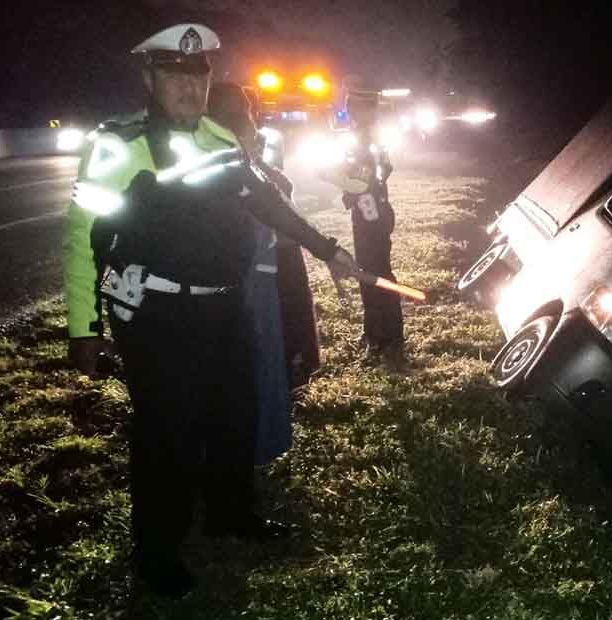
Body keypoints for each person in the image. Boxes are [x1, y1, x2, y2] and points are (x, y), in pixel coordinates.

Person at [62, 23, 359, 597]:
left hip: (224, 308)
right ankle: (157, 552)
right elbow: (81, 237)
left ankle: (231, 514)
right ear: (149, 78)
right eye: (175, 74)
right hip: (155, 314)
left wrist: (329, 250)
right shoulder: (119, 147)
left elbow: (267, 202)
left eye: (198, 75)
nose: (189, 87)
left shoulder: (222, 140)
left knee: (234, 413)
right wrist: (84, 327)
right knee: (166, 433)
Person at [207, 82, 319, 465]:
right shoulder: (225, 169)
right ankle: (252, 445)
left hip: (269, 271)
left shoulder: (257, 167)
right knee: (259, 359)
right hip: (253, 277)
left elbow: (281, 214)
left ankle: (255, 442)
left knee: (269, 356)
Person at [322, 84, 404, 355]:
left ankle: (382, 335)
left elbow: (363, 179)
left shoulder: (366, 138)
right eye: (349, 105)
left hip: (371, 213)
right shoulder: (368, 136)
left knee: (373, 273)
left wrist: (329, 176)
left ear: (368, 108)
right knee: (374, 270)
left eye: (355, 105)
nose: (350, 110)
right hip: (372, 209)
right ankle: (380, 330)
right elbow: (383, 171)